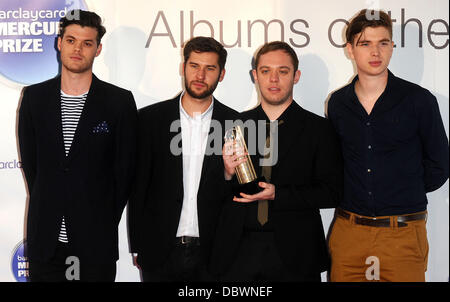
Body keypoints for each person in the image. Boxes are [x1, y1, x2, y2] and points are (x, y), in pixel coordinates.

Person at [327, 9, 449, 282]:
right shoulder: (338, 103)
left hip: (403, 235)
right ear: (350, 49)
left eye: (383, 43)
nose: (375, 52)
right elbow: (334, 163)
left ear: (392, 47)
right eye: (365, 43)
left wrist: (403, 189)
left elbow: (439, 166)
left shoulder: (419, 100)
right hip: (349, 235)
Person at [18, 10, 137, 282]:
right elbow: (33, 167)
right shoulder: (34, 98)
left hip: (95, 244)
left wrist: (100, 220)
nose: (77, 49)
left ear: (98, 49)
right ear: (59, 43)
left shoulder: (118, 102)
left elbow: (125, 173)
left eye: (86, 43)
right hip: (45, 243)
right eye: (71, 40)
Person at [210, 41, 343, 281]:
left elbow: (332, 192)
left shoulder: (319, 129)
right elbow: (212, 194)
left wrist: (277, 194)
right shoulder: (232, 125)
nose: (273, 79)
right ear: (255, 76)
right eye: (265, 71)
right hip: (237, 253)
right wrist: (227, 174)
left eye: (282, 71)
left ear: (296, 76)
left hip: (297, 254)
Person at [128, 36, 238, 281]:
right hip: (159, 250)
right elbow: (138, 186)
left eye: (210, 68)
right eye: (194, 66)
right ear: (183, 67)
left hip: (214, 254)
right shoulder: (150, 120)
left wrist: (228, 174)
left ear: (221, 74)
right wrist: (137, 244)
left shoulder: (236, 123)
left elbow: (242, 195)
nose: (200, 75)